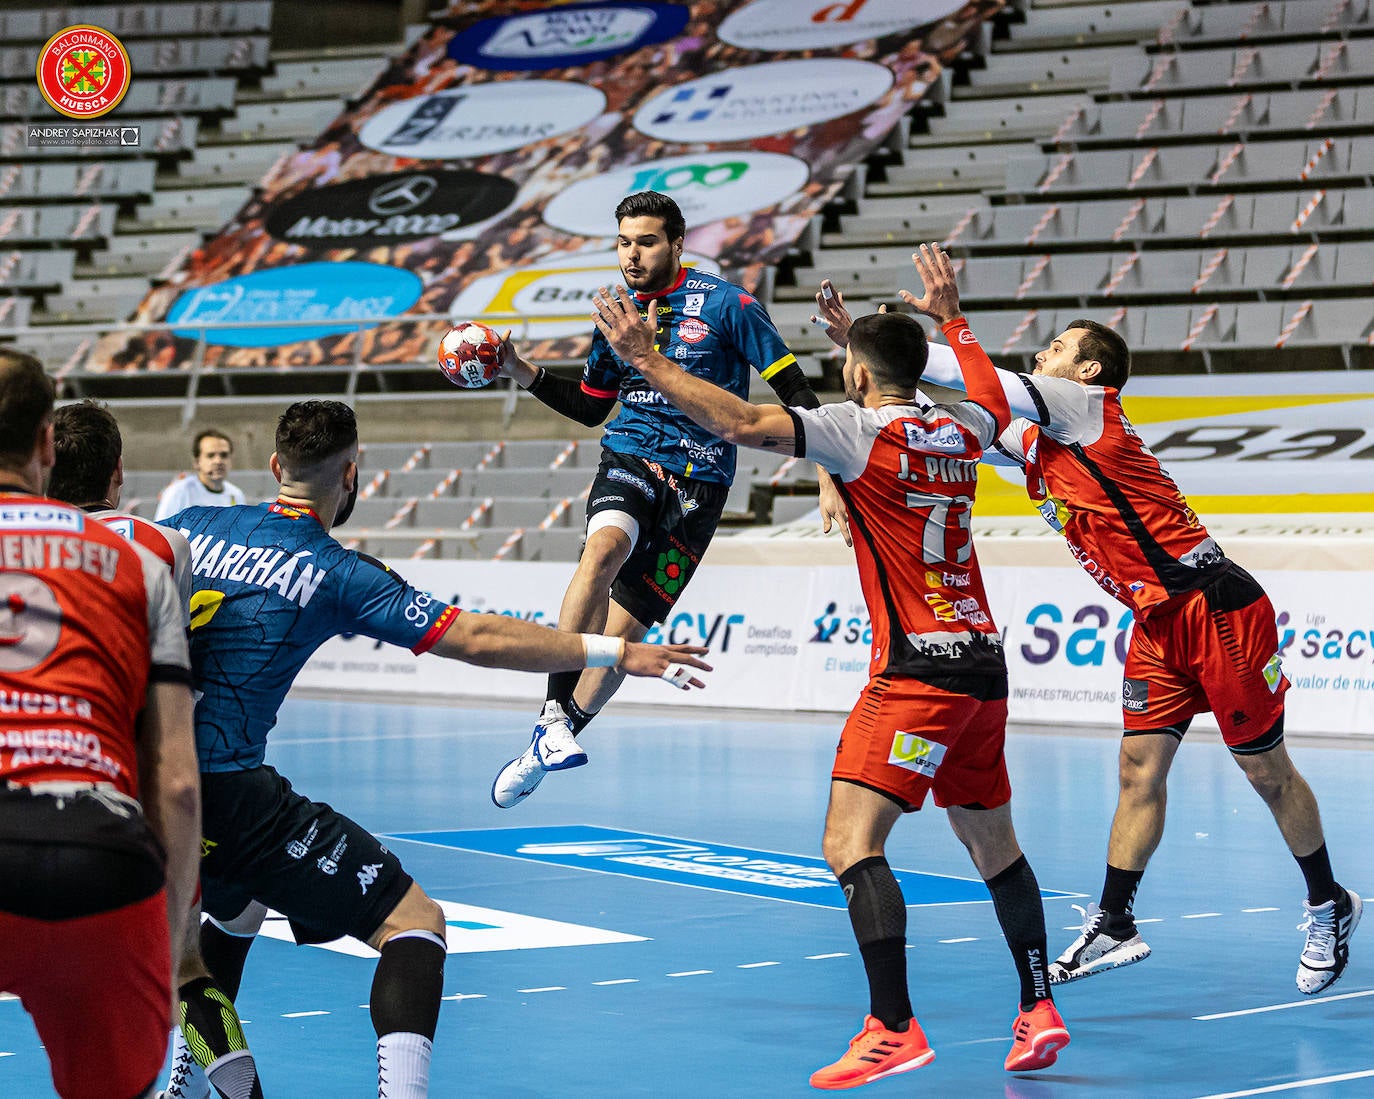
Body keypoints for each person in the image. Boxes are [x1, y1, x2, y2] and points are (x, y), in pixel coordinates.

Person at [587, 247, 1071, 1088]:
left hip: (917, 672)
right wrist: (949, 313)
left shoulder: (853, 433)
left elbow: (738, 422)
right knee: (994, 841)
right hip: (984, 665)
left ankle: (892, 1026)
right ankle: (1038, 1005)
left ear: (853, 371)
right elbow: (990, 392)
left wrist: (647, 358)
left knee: (850, 842)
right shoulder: (964, 427)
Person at [815, 257, 1360, 995]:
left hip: (1218, 608)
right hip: (1156, 623)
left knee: (1264, 771)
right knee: (1138, 772)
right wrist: (873, 351)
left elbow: (988, 385)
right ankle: (1116, 920)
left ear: (1090, 368)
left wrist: (949, 319)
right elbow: (966, 403)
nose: (1045, 352)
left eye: (1060, 346)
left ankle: (1329, 900)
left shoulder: (1085, 404)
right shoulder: (1042, 441)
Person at [157, 399, 710, 1099]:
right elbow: (476, 637)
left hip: (154, 783)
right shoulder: (335, 569)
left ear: (273, 467)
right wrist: (617, 648)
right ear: (352, 477)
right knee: (414, 922)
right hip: (232, 792)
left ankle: (197, 1077)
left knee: (229, 911)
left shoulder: (185, 526)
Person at [489, 189, 847, 809]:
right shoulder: (616, 313)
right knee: (600, 552)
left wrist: (826, 472)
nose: (632, 255)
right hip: (630, 458)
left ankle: (554, 740)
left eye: (646, 241)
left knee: (622, 640)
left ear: (678, 243)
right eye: (623, 242)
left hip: (701, 484)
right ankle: (551, 712)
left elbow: (792, 390)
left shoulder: (730, 305)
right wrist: (520, 369)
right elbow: (591, 406)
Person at [46, 399, 264, 1099]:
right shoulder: (169, 543)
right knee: (185, 963)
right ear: (118, 472)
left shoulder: (20, 540)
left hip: (52, 774)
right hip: (154, 770)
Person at [0, 351, 200, 1099]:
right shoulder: (136, 562)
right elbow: (177, 780)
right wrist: (168, 924)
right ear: (47, 443)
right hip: (103, 858)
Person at [154, 430, 246, 520]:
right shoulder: (178, 492)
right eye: (210, 455)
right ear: (197, 462)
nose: (218, 461)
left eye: (224, 455)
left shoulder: (236, 494)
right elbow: (161, 531)